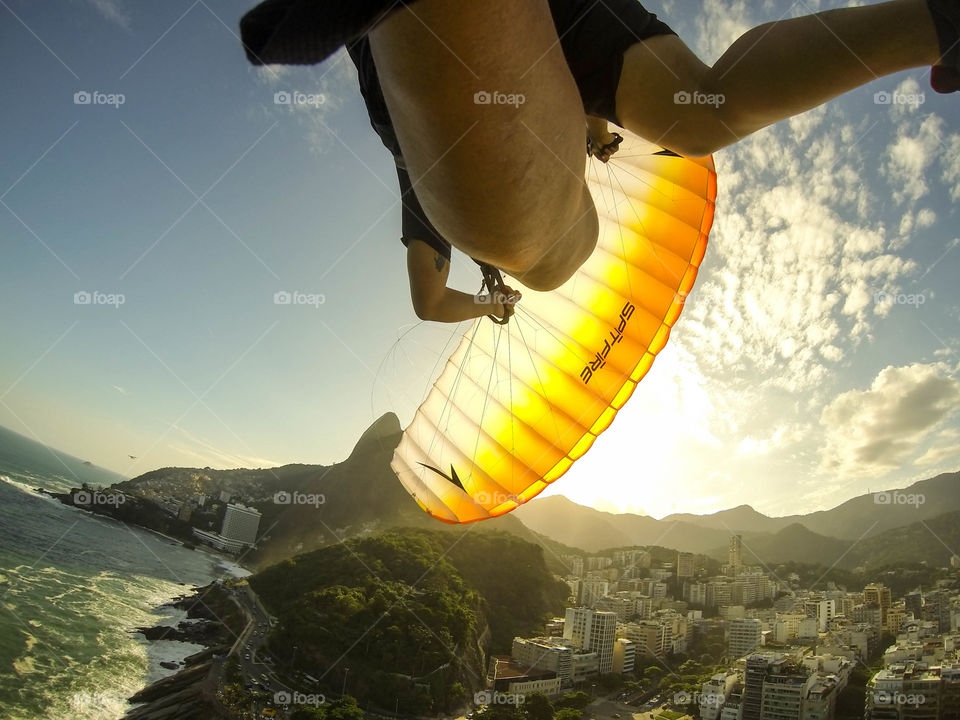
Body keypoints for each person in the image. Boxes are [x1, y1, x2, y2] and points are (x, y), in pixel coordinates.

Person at [242, 0, 960, 292]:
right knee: (701, 107)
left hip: (449, 64)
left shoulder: (425, 200)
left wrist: (489, 290)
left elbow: (432, 299)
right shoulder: (427, 197)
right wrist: (591, 127)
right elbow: (430, 301)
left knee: (544, 257)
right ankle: (942, 20)